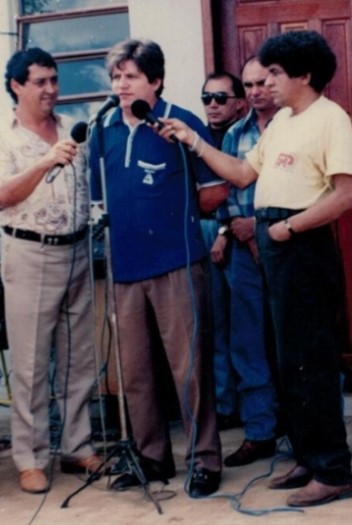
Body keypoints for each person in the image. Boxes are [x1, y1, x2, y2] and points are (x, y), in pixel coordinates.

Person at [158, 30, 352, 507]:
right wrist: (193, 142)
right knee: (289, 360)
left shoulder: (331, 120)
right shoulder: (284, 122)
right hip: (276, 244)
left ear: (304, 75)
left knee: (313, 361)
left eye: (274, 74)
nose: (265, 82)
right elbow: (244, 174)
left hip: (300, 245)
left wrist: (289, 229)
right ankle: (309, 458)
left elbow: (346, 194)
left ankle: (334, 471)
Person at [90, 39, 227, 498]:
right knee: (136, 372)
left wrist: (178, 217)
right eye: (116, 77)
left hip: (176, 263)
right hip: (125, 267)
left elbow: (216, 187)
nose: (121, 85)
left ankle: (204, 459)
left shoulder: (180, 122)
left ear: (155, 80)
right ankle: (151, 457)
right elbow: (98, 196)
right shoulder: (103, 126)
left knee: (188, 368)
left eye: (130, 76)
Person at [0, 47, 101, 494]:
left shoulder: (72, 129)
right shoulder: (5, 135)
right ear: (16, 85)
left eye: (54, 80)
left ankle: (77, 447)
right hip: (29, 253)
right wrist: (43, 162)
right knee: (31, 362)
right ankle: (31, 457)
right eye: (40, 81)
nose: (51, 89)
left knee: (79, 358)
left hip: (78, 250)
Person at [213, 57, 280, 467]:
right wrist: (235, 227)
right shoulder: (234, 133)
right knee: (247, 342)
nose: (255, 91)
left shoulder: (296, 127)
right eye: (249, 84)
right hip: (244, 251)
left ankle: (304, 429)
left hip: (285, 243)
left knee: (297, 339)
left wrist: (259, 225)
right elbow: (226, 189)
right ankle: (260, 433)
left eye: (262, 83)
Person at [198, 71, 246, 432]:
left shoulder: (244, 137)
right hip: (202, 231)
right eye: (207, 98)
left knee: (245, 324)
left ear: (239, 102)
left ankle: (258, 408)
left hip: (234, 231)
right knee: (213, 324)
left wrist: (226, 231)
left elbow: (238, 188)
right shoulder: (196, 138)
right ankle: (226, 405)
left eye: (221, 98)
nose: (213, 105)